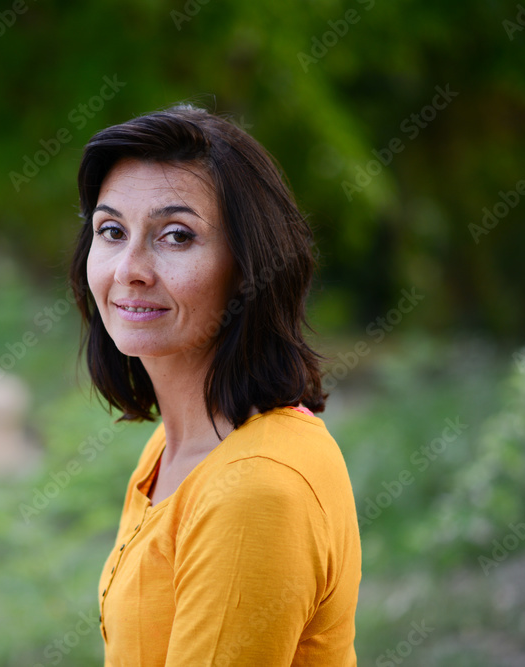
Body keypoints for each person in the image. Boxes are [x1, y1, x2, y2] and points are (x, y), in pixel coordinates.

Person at [69, 104, 362, 666]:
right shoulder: (175, 449)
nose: (130, 267)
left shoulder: (254, 490)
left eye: (176, 236)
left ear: (249, 268)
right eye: (111, 231)